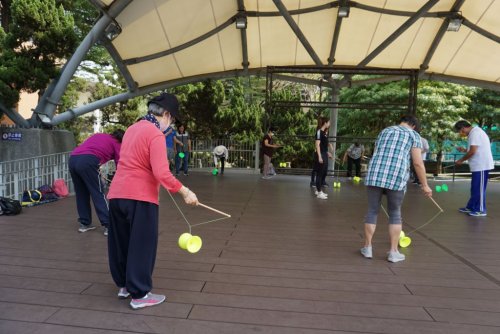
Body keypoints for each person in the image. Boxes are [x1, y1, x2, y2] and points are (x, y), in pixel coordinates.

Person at [107, 93, 198, 310]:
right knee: (142, 245)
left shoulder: (132, 129)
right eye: (172, 119)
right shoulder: (155, 135)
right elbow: (162, 173)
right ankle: (139, 294)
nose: (171, 124)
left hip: (117, 195)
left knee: (121, 243)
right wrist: (185, 192)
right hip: (140, 197)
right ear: (166, 114)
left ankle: (124, 286)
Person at [361, 115, 432, 263]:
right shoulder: (414, 135)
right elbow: (418, 163)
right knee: (394, 213)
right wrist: (425, 185)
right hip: (396, 175)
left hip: (375, 174)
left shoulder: (385, 131)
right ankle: (393, 252)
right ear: (413, 125)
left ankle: (367, 248)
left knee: (372, 210)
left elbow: (377, 152)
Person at [69, 129, 124, 236]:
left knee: (81, 193)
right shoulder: (118, 143)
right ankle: (109, 225)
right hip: (88, 161)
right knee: (98, 192)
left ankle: (84, 223)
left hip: (73, 159)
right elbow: (120, 163)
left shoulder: (100, 135)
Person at [454, 120, 494, 217]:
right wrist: (464, 150)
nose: (460, 133)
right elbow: (473, 149)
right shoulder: (473, 133)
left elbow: (473, 152)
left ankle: (480, 210)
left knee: (479, 189)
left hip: (481, 165)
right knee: (474, 188)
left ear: (463, 128)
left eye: (459, 131)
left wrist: (461, 160)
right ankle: (471, 206)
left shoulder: (475, 133)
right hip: (477, 165)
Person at [313, 117, 333, 199]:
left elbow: (323, 146)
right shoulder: (319, 132)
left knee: (323, 172)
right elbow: (317, 145)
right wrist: (320, 157)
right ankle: (319, 192)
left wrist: (327, 152)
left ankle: (318, 191)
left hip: (324, 154)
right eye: (329, 122)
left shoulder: (324, 133)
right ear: (325, 123)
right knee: (319, 173)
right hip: (320, 155)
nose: (329, 124)